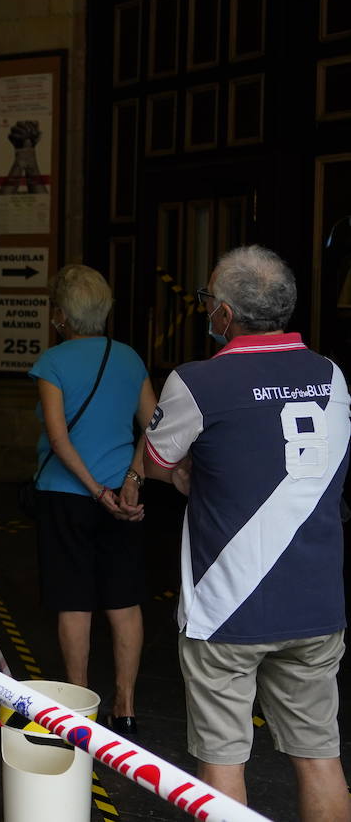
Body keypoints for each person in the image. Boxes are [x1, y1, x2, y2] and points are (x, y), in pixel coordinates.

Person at [144, 246, 351, 816]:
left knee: (223, 761)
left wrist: (191, 474)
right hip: (316, 602)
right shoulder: (331, 376)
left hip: (227, 606)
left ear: (227, 316)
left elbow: (156, 461)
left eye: (210, 302)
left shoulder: (196, 382)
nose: (208, 312)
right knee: (320, 757)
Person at [28, 264, 156, 735]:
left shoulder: (53, 363)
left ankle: (79, 705)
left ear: (61, 314)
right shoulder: (129, 358)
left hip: (67, 496)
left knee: (74, 601)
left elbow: (59, 442)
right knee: (124, 601)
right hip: (125, 500)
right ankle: (125, 706)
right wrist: (131, 481)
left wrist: (96, 491)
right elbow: (154, 426)